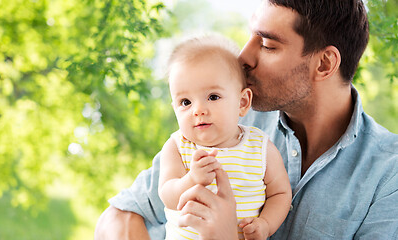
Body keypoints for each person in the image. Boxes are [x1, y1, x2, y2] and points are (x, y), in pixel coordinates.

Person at [95, 0, 398, 239]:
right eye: (249, 36)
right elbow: (119, 217)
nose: (243, 57)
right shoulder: (224, 118)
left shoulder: (388, 174)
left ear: (325, 63)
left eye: (267, 45)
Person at [158, 36, 291, 240]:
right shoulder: (178, 147)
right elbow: (167, 195)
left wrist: (265, 224)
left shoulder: (260, 147)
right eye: (185, 102)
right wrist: (191, 179)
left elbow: (280, 194)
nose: (198, 110)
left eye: (213, 97)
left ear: (242, 102)